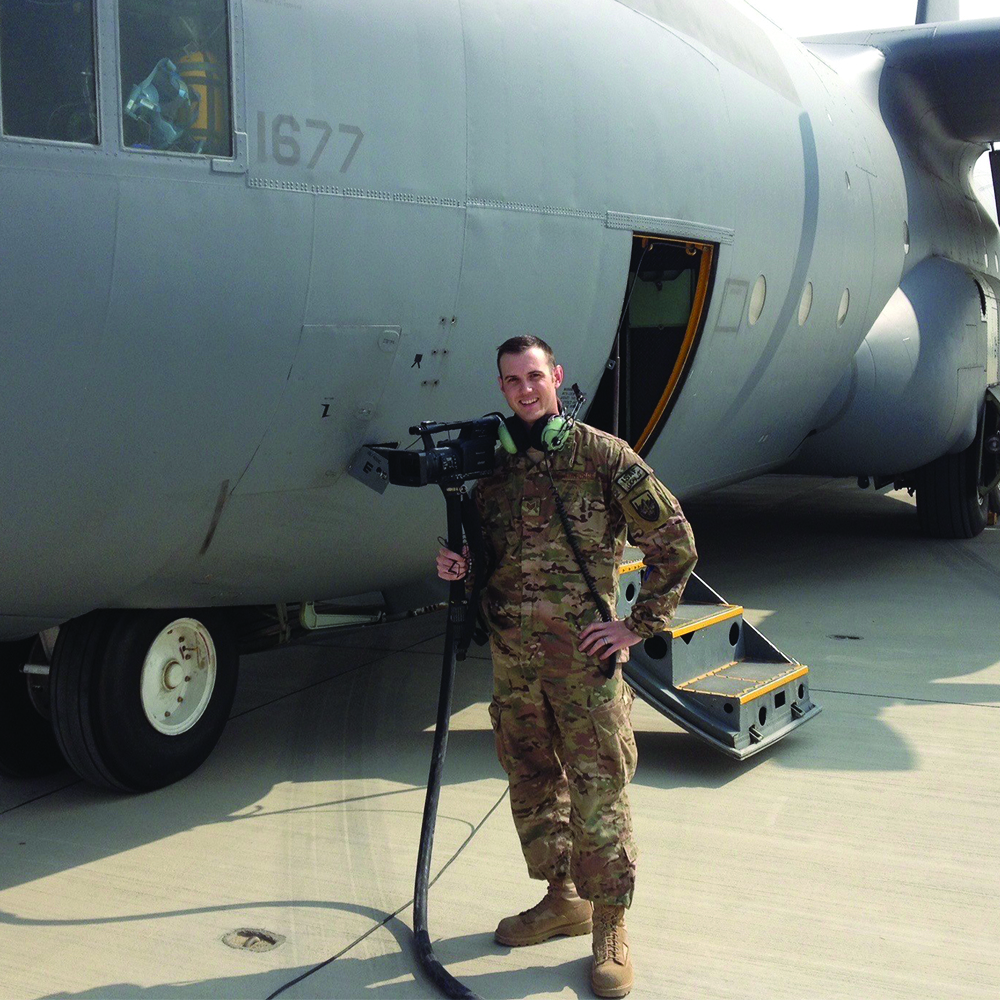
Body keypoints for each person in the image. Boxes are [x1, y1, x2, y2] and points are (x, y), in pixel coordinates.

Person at [436, 336, 697, 998]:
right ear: (502, 389)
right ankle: (563, 896)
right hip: (513, 659)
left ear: (557, 377)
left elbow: (675, 541)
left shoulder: (601, 456)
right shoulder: (492, 471)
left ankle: (609, 921)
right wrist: (460, 571)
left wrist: (635, 627)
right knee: (529, 775)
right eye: (511, 381)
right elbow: (487, 562)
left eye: (534, 376)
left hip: (582, 662)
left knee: (596, 782)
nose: (525, 389)